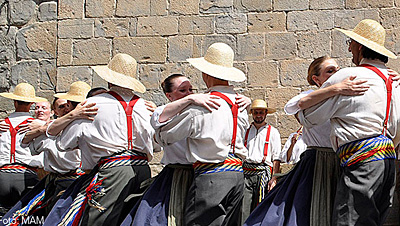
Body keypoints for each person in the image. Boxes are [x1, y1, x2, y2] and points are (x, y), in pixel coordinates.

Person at [244, 55, 372, 226]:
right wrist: (336, 88)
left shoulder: (346, 94)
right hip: (317, 159)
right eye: (330, 71)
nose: (336, 73)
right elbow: (298, 104)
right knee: (307, 209)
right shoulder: (309, 95)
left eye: (337, 69)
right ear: (316, 78)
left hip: (343, 158)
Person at [298, 19, 400, 226]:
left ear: (359, 47)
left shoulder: (349, 76)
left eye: (350, 44)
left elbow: (308, 116)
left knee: (350, 221)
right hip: (388, 163)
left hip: (361, 162)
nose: (350, 49)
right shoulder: (394, 81)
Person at [43, 53, 159, 226]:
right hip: (142, 169)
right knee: (131, 218)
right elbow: (156, 145)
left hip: (112, 172)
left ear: (109, 80)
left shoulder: (92, 104)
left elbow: (63, 143)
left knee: (99, 221)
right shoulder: (147, 106)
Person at [154, 42, 250, 226]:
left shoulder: (201, 105)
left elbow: (164, 136)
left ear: (206, 74)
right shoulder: (241, 103)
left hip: (212, 176)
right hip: (237, 176)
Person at [122, 73, 225, 226]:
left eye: (191, 89)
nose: (190, 93)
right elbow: (158, 119)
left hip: (203, 174)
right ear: (169, 95)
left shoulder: (199, 111)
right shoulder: (164, 112)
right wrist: (190, 99)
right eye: (183, 90)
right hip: (177, 175)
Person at [0, 82, 92, 225]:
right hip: (38, 177)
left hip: (10, 176)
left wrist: (43, 128)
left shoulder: (41, 127)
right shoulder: (40, 126)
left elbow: (27, 143)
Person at [0, 83, 46, 215]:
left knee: (3, 216)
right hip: (27, 175)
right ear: (31, 103)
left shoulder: (3, 124)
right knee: (28, 216)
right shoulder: (36, 126)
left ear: (14, 102)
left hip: (2, 175)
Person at [241, 99, 282, 224]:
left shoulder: (273, 132)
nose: (258, 115)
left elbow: (276, 157)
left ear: (265, 114)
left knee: (261, 205)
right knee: (243, 207)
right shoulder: (245, 131)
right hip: (246, 172)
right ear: (252, 114)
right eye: (256, 112)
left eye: (261, 113)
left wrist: (274, 178)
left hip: (263, 172)